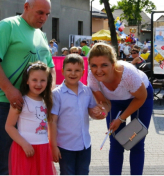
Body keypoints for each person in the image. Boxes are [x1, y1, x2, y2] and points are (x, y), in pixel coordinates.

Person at [0, 0, 56, 175]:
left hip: (32, 106)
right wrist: (9, 90)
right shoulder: (8, 26)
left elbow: (50, 68)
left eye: (47, 14)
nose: (44, 18)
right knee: (4, 161)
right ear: (26, 7)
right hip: (4, 102)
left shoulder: (41, 35)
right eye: (40, 12)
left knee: (27, 162)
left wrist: (49, 95)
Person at [88, 43, 153, 175]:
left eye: (104, 65)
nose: (98, 70)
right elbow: (105, 104)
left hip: (140, 99)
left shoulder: (128, 73)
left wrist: (121, 119)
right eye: (94, 65)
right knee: (115, 143)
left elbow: (141, 98)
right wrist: (103, 110)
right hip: (115, 102)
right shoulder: (92, 77)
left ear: (113, 64)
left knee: (136, 142)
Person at [50, 54, 106, 175]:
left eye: (77, 70)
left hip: (85, 145)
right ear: (62, 71)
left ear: (83, 72)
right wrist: (53, 146)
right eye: (69, 70)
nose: (73, 73)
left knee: (83, 172)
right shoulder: (57, 94)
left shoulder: (87, 90)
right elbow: (52, 121)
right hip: (65, 146)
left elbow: (92, 111)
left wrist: (99, 113)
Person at [5, 61, 56, 175]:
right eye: (34, 80)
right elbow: (9, 126)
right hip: (25, 149)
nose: (38, 84)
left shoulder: (47, 101)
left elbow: (50, 125)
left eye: (42, 80)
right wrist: (24, 144)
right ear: (27, 80)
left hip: (43, 149)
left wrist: (52, 146)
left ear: (47, 82)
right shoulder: (20, 101)